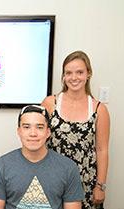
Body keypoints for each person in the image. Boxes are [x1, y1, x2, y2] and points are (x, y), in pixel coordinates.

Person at [41, 50, 110, 209]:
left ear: (88, 74)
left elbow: (102, 150)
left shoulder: (99, 109)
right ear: (63, 76)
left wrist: (100, 186)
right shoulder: (50, 103)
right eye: (69, 73)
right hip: (53, 179)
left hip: (85, 182)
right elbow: (39, 141)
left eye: (79, 72)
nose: (74, 77)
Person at [0, 105, 84, 209]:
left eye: (39, 127)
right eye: (26, 127)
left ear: (48, 132)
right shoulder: (3, 165)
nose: (33, 133)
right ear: (19, 131)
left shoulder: (68, 168)